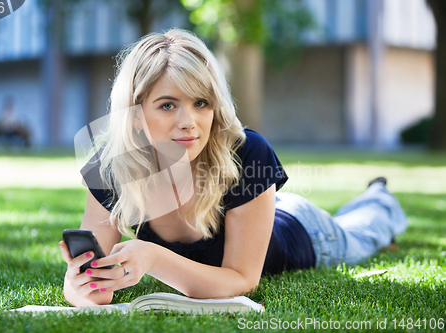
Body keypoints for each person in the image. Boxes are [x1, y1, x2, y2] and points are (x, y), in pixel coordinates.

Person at [58, 28, 407, 307]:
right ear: (134, 115)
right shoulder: (109, 170)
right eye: (167, 105)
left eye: (200, 103)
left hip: (307, 231)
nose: (189, 122)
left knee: (366, 230)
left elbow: (242, 280)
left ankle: (378, 195)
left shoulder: (247, 151)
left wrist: (151, 258)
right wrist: (84, 287)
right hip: (259, 212)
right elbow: (84, 290)